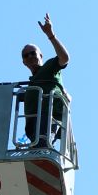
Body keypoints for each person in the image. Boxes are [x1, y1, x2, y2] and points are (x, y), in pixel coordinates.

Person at [22, 15, 69, 144]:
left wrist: (51, 35)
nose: (30, 56)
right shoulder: (31, 84)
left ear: (40, 55)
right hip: (32, 123)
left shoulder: (49, 66)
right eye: (26, 55)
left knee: (42, 144)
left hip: (49, 117)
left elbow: (64, 58)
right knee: (38, 146)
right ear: (23, 62)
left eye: (33, 53)